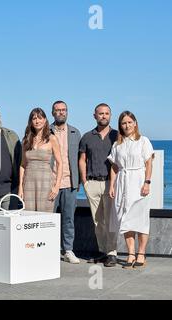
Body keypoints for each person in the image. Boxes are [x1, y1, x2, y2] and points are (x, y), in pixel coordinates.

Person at [108, 111, 154, 269]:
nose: (126, 125)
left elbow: (149, 163)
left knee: (140, 219)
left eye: (129, 122)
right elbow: (114, 166)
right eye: (123, 123)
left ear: (135, 123)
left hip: (139, 181)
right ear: (120, 126)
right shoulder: (117, 144)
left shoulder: (143, 141)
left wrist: (147, 182)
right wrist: (112, 185)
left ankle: (141, 253)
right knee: (125, 218)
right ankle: (130, 253)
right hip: (122, 183)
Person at [79, 103, 119, 267]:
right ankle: (103, 252)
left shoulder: (117, 136)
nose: (104, 116)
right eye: (100, 113)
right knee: (98, 221)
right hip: (92, 183)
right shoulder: (87, 137)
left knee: (110, 220)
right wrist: (84, 182)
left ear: (110, 115)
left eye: (106, 113)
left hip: (111, 184)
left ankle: (112, 253)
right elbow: (82, 159)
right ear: (95, 116)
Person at [50, 101, 82, 264]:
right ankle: (49, 249)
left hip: (70, 183)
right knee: (48, 219)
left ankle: (68, 250)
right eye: (57, 110)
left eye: (63, 110)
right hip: (50, 183)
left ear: (67, 112)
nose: (61, 113)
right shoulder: (45, 131)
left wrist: (80, 181)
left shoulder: (75, 132)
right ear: (52, 112)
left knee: (68, 219)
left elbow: (81, 158)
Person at [18, 108, 62, 213]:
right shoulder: (26, 140)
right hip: (28, 182)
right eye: (34, 118)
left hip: (46, 182)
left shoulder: (52, 139)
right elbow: (23, 165)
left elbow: (60, 163)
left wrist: (56, 186)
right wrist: (20, 187)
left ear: (45, 120)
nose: (37, 121)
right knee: (27, 216)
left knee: (45, 217)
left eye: (40, 118)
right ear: (31, 121)